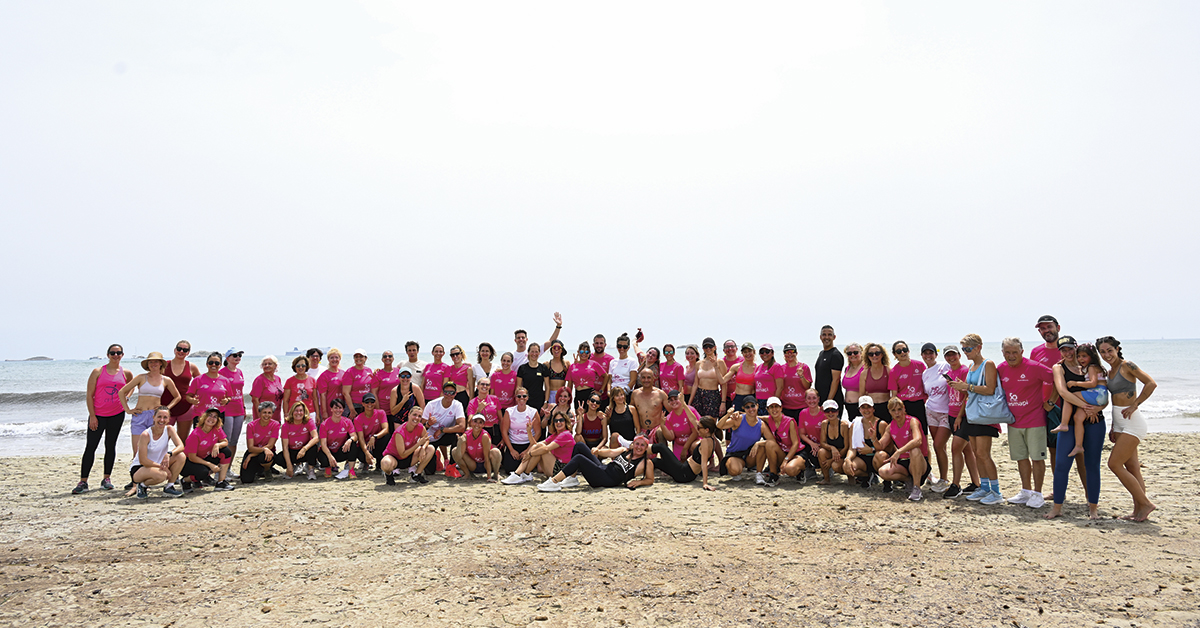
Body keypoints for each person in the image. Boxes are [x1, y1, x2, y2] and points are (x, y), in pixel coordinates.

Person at [1045, 336, 1107, 521]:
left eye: (1070, 349)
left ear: (1076, 348)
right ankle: (1057, 508)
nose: (1068, 353)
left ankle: (1093, 509)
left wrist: (1099, 407)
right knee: (1062, 466)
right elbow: (1063, 392)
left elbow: (1103, 391)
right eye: (1063, 350)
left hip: (1095, 420)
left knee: (1092, 466)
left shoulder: (1089, 366)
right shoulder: (1059, 367)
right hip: (1071, 423)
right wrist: (1085, 406)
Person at [1097, 336, 1157, 521]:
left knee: (1114, 464)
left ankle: (1145, 503)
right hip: (1120, 422)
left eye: (1110, 350)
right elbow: (1115, 401)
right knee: (1132, 467)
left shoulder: (1127, 365)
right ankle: (1139, 510)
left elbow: (1151, 383)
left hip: (1132, 421)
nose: (1107, 355)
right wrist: (1115, 426)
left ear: (1117, 349)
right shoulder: (1110, 371)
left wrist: (1135, 404)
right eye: (1103, 352)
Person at [993, 338, 1055, 508]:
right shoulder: (1001, 369)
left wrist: (1051, 402)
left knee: (1037, 458)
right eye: (1007, 352)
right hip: (1013, 422)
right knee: (1021, 458)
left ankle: (1037, 493)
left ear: (1022, 352)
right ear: (1003, 353)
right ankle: (1026, 491)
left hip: (1035, 420)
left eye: (1014, 352)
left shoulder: (1034, 367)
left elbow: (1056, 378)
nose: (1011, 356)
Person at [948, 334, 1005, 505]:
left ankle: (996, 491)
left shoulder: (988, 364)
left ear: (979, 347)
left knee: (983, 454)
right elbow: (968, 394)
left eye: (968, 349)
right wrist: (961, 388)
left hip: (985, 415)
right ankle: (984, 487)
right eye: (963, 349)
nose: (965, 352)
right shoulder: (972, 366)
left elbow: (990, 389)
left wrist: (967, 386)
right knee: (976, 453)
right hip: (972, 414)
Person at [76, 344, 134, 494]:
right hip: (99, 414)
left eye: (118, 353)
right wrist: (93, 416)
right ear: (108, 355)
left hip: (117, 414)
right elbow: (89, 395)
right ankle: (83, 482)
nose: (116, 355)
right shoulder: (97, 372)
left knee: (110, 445)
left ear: (122, 355)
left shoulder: (126, 372)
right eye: (113, 353)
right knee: (91, 447)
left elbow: (132, 385)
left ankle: (106, 479)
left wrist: (127, 396)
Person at [1051, 343, 1108, 458]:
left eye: (1084, 356)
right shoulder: (1090, 367)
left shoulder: (1091, 367)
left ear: (1091, 356)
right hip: (1098, 396)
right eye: (1079, 356)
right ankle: (1078, 445)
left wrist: (1075, 383)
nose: (1081, 359)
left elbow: (1093, 383)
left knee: (1070, 396)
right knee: (1078, 418)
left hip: (1098, 394)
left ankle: (1064, 423)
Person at [537, 435, 655, 492]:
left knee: (579, 458)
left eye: (642, 445)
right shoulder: (626, 450)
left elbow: (650, 479)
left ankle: (554, 481)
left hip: (607, 480)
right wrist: (598, 451)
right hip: (603, 469)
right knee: (580, 446)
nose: (639, 447)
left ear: (646, 447)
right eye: (637, 444)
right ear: (633, 444)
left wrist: (639, 482)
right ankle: (572, 478)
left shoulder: (646, 462)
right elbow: (610, 452)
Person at [876, 398, 930, 502]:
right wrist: (873, 438)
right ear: (889, 412)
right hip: (904, 463)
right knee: (883, 472)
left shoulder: (912, 421)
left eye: (899, 409)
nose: (897, 413)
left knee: (914, 450)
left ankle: (917, 488)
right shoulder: (891, 426)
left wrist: (899, 451)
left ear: (904, 409)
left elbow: (918, 440)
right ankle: (908, 480)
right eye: (893, 410)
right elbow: (880, 446)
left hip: (919, 461)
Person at [943, 345, 979, 499]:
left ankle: (956, 485)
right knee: (967, 450)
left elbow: (968, 394)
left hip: (963, 416)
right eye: (948, 356)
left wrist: (959, 416)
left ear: (959, 355)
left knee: (955, 448)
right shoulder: (949, 372)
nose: (951, 358)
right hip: (951, 413)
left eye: (953, 355)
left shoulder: (966, 370)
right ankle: (976, 483)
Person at [501, 410, 577, 484]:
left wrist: (530, 453)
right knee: (539, 447)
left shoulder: (566, 434)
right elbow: (535, 445)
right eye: (556, 421)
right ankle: (524, 474)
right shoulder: (555, 435)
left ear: (566, 422)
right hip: (554, 467)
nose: (558, 422)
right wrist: (529, 432)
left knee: (541, 448)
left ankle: (518, 474)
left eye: (561, 420)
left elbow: (546, 448)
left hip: (563, 471)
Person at [128, 407, 187, 498]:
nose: (162, 420)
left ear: (169, 419)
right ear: (154, 417)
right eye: (159, 417)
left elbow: (181, 446)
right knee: (162, 475)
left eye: (165, 417)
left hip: (158, 464)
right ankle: (142, 486)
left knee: (181, 456)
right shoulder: (146, 434)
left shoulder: (169, 429)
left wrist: (169, 454)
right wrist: (164, 468)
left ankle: (169, 487)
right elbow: (143, 460)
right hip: (140, 468)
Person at [652, 416, 720, 490]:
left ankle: (640, 450)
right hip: (686, 474)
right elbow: (693, 420)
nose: (697, 430)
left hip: (683, 474)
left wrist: (705, 483)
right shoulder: (712, 440)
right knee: (656, 461)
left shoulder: (705, 442)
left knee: (661, 447)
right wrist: (684, 405)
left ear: (706, 430)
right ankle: (640, 468)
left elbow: (704, 464)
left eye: (699, 428)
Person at [918, 343, 952, 493]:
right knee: (940, 447)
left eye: (930, 353)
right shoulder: (925, 373)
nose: (928, 356)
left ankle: (944, 480)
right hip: (931, 411)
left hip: (946, 412)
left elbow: (956, 378)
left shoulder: (944, 366)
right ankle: (941, 478)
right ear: (922, 355)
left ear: (935, 354)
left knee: (938, 445)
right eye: (925, 353)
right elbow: (927, 394)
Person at [180, 408, 235, 492]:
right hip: (189, 463)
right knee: (203, 473)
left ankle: (221, 482)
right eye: (210, 415)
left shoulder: (216, 429)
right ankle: (185, 481)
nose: (212, 418)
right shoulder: (195, 434)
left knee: (226, 451)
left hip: (204, 458)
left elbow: (225, 442)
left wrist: (218, 444)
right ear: (204, 417)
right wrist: (210, 465)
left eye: (215, 417)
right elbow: (192, 457)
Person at [716, 398, 771, 481]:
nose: (751, 409)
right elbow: (719, 426)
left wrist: (758, 443)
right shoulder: (738, 419)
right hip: (734, 453)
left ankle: (758, 474)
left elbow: (771, 441)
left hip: (750, 455)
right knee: (735, 471)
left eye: (753, 406)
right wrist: (728, 414)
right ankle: (737, 468)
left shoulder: (761, 424)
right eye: (747, 407)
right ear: (743, 408)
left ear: (757, 406)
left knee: (762, 446)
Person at [380, 405, 434, 485]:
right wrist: (418, 444)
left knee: (430, 448)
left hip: (409, 457)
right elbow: (402, 454)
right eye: (414, 415)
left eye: (419, 416)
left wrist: (423, 448)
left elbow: (426, 439)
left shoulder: (420, 427)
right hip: (395, 458)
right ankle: (388, 475)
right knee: (385, 464)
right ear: (409, 415)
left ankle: (417, 474)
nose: (416, 418)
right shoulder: (400, 432)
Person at [422, 382, 467, 475]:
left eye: (452, 393)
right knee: (429, 472)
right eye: (446, 392)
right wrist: (428, 424)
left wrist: (442, 430)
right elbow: (420, 427)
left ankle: (451, 466)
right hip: (430, 439)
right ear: (442, 393)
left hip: (445, 435)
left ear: (456, 393)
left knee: (458, 437)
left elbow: (462, 427)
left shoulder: (457, 405)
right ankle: (436, 457)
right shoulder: (431, 404)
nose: (449, 395)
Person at [316, 398, 366, 480]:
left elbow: (354, 436)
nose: (338, 410)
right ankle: (328, 468)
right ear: (331, 409)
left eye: (340, 408)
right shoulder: (324, 424)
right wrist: (330, 456)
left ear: (343, 409)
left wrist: (350, 440)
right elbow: (323, 444)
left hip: (341, 450)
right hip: (329, 452)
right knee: (321, 453)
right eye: (335, 408)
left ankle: (351, 470)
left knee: (353, 444)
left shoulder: (347, 421)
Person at [185, 353, 234, 435]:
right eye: (211, 362)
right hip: (201, 415)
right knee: (200, 441)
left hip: (218, 416)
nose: (213, 365)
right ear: (207, 364)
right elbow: (188, 396)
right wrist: (192, 400)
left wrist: (227, 400)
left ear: (220, 365)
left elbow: (229, 397)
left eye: (217, 363)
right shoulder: (198, 380)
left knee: (216, 441)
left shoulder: (225, 381)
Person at [843, 398, 886, 487]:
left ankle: (887, 481)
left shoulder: (881, 424)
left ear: (873, 409)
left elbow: (887, 448)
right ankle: (867, 475)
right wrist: (848, 459)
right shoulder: (855, 425)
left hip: (877, 457)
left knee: (881, 455)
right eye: (863, 407)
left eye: (868, 407)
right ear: (859, 410)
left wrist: (872, 450)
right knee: (846, 467)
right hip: (862, 458)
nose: (866, 410)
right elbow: (852, 448)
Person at [888, 341, 928, 434]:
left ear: (908, 351)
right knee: (907, 434)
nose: (902, 352)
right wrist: (896, 411)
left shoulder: (920, 365)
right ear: (895, 354)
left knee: (923, 432)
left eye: (904, 350)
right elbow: (894, 396)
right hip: (904, 406)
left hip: (919, 404)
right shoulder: (894, 371)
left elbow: (928, 384)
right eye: (898, 351)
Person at [162, 340, 201, 436]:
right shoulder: (163, 366)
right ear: (175, 350)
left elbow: (201, 383)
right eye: (179, 349)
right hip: (166, 406)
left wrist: (195, 398)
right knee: (161, 440)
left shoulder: (191, 366)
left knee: (182, 440)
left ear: (188, 352)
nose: (181, 351)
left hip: (186, 407)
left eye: (185, 350)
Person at [217, 349, 247, 473]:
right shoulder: (221, 372)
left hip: (239, 409)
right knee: (226, 440)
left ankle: (228, 468)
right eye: (235, 355)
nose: (238, 357)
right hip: (227, 410)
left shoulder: (239, 372)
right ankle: (220, 468)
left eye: (239, 355)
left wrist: (244, 408)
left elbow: (240, 393)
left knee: (234, 441)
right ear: (227, 358)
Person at [500, 388, 541, 474]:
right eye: (519, 396)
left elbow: (538, 433)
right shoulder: (509, 411)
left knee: (527, 470)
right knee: (509, 469)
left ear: (527, 397)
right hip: (514, 444)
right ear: (515, 398)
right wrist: (511, 450)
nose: (521, 398)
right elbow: (504, 431)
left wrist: (527, 450)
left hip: (528, 444)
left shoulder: (533, 412)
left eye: (524, 396)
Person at [452, 414, 502, 481]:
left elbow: (486, 458)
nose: (477, 424)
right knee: (454, 450)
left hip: (485, 464)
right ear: (472, 423)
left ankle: (496, 474)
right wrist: (459, 444)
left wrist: (489, 477)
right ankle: (467, 474)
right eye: (475, 421)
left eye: (480, 422)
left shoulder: (484, 436)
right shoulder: (466, 435)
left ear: (483, 425)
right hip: (473, 464)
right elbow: (458, 457)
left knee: (496, 451)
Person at [757, 397, 796, 485]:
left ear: (781, 408)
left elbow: (796, 444)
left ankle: (799, 472)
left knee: (792, 470)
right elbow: (752, 416)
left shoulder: (789, 421)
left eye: (776, 406)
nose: (774, 409)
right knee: (769, 444)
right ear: (767, 409)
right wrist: (738, 414)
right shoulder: (768, 419)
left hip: (793, 454)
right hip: (781, 453)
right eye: (771, 407)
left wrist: (786, 460)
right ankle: (773, 475)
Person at [240, 401, 280, 485]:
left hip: (268, 453)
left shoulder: (275, 424)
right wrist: (251, 454)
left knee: (264, 456)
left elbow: (270, 445)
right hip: (254, 450)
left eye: (269, 413)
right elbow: (250, 447)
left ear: (272, 414)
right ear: (259, 413)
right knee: (246, 480)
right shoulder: (251, 425)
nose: (266, 415)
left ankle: (267, 470)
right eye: (264, 412)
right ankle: (258, 470)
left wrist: (251, 455)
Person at [248, 357, 284, 450]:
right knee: (261, 440)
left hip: (276, 414)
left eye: (269, 364)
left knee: (272, 438)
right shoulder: (260, 380)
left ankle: (270, 459)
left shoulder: (278, 379)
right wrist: (260, 416)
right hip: (264, 416)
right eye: (264, 364)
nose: (267, 366)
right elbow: (255, 400)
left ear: (275, 366)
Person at [279, 401, 320, 480]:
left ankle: (310, 469)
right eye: (296, 410)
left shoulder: (308, 421)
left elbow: (316, 438)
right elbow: (285, 447)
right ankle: (294, 467)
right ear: (292, 412)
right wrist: (289, 465)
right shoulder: (286, 425)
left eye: (301, 410)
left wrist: (304, 449)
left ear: (304, 412)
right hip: (293, 452)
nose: (299, 413)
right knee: (279, 458)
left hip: (305, 451)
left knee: (314, 447)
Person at [688, 338, 728, 419]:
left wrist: (723, 403)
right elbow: (695, 384)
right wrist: (689, 403)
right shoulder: (698, 363)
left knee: (711, 425)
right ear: (703, 349)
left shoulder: (720, 362)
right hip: (699, 395)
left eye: (710, 346)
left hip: (713, 396)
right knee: (699, 424)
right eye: (706, 347)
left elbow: (724, 384)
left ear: (715, 347)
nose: (708, 348)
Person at [816, 400, 851, 485]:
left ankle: (851, 477)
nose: (830, 413)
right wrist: (832, 448)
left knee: (835, 465)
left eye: (833, 410)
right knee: (821, 452)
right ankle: (826, 478)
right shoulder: (824, 424)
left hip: (844, 454)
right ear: (824, 412)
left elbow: (846, 447)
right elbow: (822, 442)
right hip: (833, 452)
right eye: (827, 410)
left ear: (838, 411)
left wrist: (831, 460)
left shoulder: (844, 425)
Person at [657, 391, 698, 461]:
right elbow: (671, 438)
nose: (673, 402)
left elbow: (696, 432)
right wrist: (662, 425)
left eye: (676, 399)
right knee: (677, 466)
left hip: (693, 441)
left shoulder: (690, 410)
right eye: (671, 400)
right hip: (680, 444)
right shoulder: (669, 417)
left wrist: (685, 448)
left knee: (695, 447)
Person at [354, 393, 390, 473]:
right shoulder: (358, 419)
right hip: (366, 444)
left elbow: (386, 429)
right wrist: (366, 453)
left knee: (387, 437)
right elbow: (361, 438)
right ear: (363, 404)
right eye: (367, 402)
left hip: (377, 441)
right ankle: (365, 463)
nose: (369, 404)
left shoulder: (381, 413)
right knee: (361, 452)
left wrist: (374, 436)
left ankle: (380, 464)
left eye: (372, 401)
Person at [795, 389, 825, 480]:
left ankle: (827, 468)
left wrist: (820, 445)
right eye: (809, 398)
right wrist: (812, 444)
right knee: (798, 446)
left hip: (824, 444)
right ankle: (809, 468)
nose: (812, 401)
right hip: (811, 443)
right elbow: (802, 434)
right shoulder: (803, 413)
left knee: (821, 453)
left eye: (814, 398)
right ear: (805, 401)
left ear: (818, 399)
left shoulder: (824, 412)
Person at [815, 325, 845, 413]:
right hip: (822, 400)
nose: (826, 337)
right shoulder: (821, 354)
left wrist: (829, 401)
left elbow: (835, 380)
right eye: (824, 335)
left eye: (829, 335)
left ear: (834, 337)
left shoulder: (835, 355)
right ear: (820, 337)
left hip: (833, 401)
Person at [779, 343, 813, 420]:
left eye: (792, 351)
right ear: (784, 354)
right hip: (786, 406)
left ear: (796, 353)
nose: (790, 354)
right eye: (787, 352)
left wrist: (801, 376)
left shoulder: (804, 367)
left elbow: (807, 386)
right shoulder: (781, 368)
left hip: (802, 405)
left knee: (801, 431)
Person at [630, 369, 668, 437]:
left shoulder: (660, 394)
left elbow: (672, 411)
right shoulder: (635, 394)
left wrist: (665, 424)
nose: (646, 380)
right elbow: (629, 411)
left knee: (660, 433)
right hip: (641, 430)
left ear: (653, 378)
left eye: (649, 377)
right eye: (643, 377)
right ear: (640, 379)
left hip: (657, 430)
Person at [567, 342, 606, 406]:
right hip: (578, 394)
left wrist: (601, 391)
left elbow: (606, 376)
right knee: (579, 415)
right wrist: (568, 400)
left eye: (587, 352)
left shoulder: (593, 364)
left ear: (590, 353)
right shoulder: (572, 366)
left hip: (590, 394)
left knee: (590, 415)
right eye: (582, 351)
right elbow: (569, 385)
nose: (584, 354)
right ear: (578, 352)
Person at [282, 355, 319, 424]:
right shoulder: (289, 381)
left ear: (306, 366)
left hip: (310, 413)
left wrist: (317, 415)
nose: (301, 367)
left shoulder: (312, 380)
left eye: (303, 365)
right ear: (295, 367)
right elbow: (285, 400)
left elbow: (315, 399)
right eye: (298, 366)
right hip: (294, 413)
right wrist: (286, 415)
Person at [857, 343, 891, 415]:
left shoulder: (888, 371)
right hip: (870, 409)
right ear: (867, 356)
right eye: (871, 354)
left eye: (877, 353)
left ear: (882, 354)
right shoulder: (864, 373)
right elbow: (861, 395)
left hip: (886, 407)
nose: (874, 356)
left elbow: (894, 392)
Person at [724, 342, 758, 414]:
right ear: (742, 353)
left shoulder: (758, 368)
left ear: (754, 352)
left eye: (749, 351)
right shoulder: (736, 367)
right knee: (736, 421)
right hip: (738, 398)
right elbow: (723, 380)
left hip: (751, 397)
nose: (747, 354)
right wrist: (715, 367)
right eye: (745, 352)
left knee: (750, 422)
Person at [340, 349, 374, 418]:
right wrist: (352, 410)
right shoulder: (349, 372)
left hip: (367, 405)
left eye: (361, 356)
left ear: (365, 358)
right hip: (354, 405)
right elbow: (345, 393)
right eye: (356, 357)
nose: (358, 358)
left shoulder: (369, 370)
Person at [465, 378, 501, 443]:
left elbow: (501, 419)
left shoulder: (494, 398)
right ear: (477, 386)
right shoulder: (472, 402)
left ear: (490, 387)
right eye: (482, 384)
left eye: (487, 384)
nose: (485, 386)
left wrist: (503, 438)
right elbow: (470, 422)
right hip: (480, 430)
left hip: (494, 431)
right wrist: (478, 410)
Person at [517, 342, 549, 413]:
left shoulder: (543, 368)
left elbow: (547, 387)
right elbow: (518, 387)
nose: (534, 354)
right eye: (532, 351)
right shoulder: (522, 368)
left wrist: (545, 403)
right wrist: (519, 402)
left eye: (536, 352)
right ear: (528, 352)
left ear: (539, 353)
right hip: (525, 401)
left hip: (540, 401)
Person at [370, 350, 401, 423]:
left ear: (393, 359)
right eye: (385, 356)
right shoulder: (378, 374)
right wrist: (378, 410)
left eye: (390, 356)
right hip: (384, 409)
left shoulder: (398, 371)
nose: (387, 358)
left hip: (397, 408)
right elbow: (374, 392)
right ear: (382, 360)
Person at [606, 333, 641, 400]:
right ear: (616, 346)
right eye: (619, 346)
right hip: (613, 394)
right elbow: (609, 380)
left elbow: (633, 380)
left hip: (625, 394)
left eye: (624, 347)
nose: (622, 348)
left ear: (628, 348)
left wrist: (623, 392)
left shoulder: (632, 361)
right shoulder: (613, 362)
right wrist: (608, 391)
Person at [754, 344, 784, 412]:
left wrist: (774, 404)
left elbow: (780, 387)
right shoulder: (759, 367)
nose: (764, 354)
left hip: (770, 401)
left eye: (767, 351)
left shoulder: (776, 366)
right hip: (759, 402)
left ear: (772, 353)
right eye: (762, 352)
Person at [316, 348, 345, 420]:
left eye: (336, 357)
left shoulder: (344, 373)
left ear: (340, 359)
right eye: (332, 358)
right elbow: (323, 395)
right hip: (330, 408)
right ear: (328, 359)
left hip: (343, 407)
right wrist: (324, 412)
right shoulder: (324, 376)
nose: (334, 360)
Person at [543, 340, 571, 411]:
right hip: (550, 395)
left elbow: (570, 381)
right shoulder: (547, 364)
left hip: (562, 396)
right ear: (551, 350)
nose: (556, 350)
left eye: (558, 347)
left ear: (562, 350)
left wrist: (569, 396)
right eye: (554, 347)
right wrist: (545, 401)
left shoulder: (566, 364)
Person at [840, 343, 865, 422]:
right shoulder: (847, 368)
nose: (853, 355)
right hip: (848, 406)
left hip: (860, 406)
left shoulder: (865, 368)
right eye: (849, 353)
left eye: (856, 352)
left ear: (861, 353)